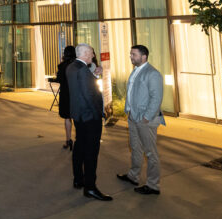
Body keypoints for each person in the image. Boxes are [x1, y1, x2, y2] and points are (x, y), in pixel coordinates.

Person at [117, 45, 165, 195]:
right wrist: (129, 112)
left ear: (144, 56)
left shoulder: (153, 73)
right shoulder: (136, 71)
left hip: (146, 120)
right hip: (133, 117)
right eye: (130, 54)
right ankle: (133, 176)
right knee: (135, 148)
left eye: (134, 54)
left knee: (150, 153)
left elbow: (156, 98)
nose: (131, 57)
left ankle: (153, 185)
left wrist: (146, 117)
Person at [67, 43, 111, 201]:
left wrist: (94, 75)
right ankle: (90, 187)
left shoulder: (72, 67)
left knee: (79, 146)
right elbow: (90, 95)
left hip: (78, 116)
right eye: (91, 53)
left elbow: (82, 87)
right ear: (85, 53)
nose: (93, 55)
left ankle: (78, 179)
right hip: (89, 117)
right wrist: (100, 113)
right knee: (91, 152)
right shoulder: (83, 70)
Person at [57, 45, 77, 150]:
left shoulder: (62, 66)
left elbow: (59, 79)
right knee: (77, 118)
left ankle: (68, 140)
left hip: (65, 95)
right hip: (76, 95)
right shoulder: (77, 65)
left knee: (67, 117)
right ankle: (79, 139)